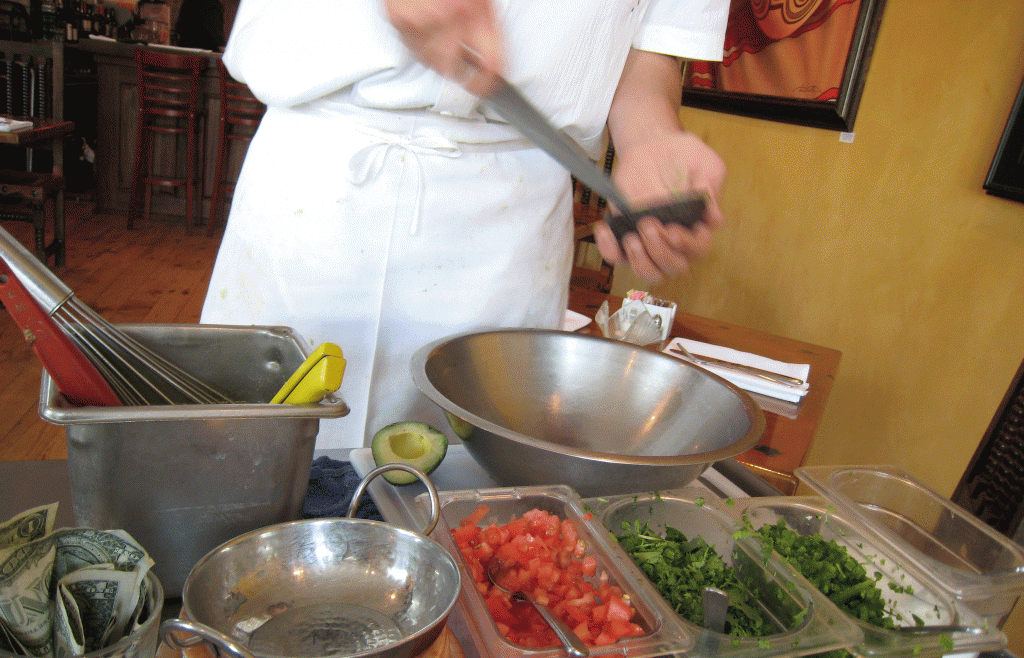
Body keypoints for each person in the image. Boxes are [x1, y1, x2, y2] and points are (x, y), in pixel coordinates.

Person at [200, 0, 731, 450]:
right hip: (319, 176)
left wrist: (650, 136)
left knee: (466, 494)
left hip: (513, 215)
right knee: (250, 463)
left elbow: (650, 43)